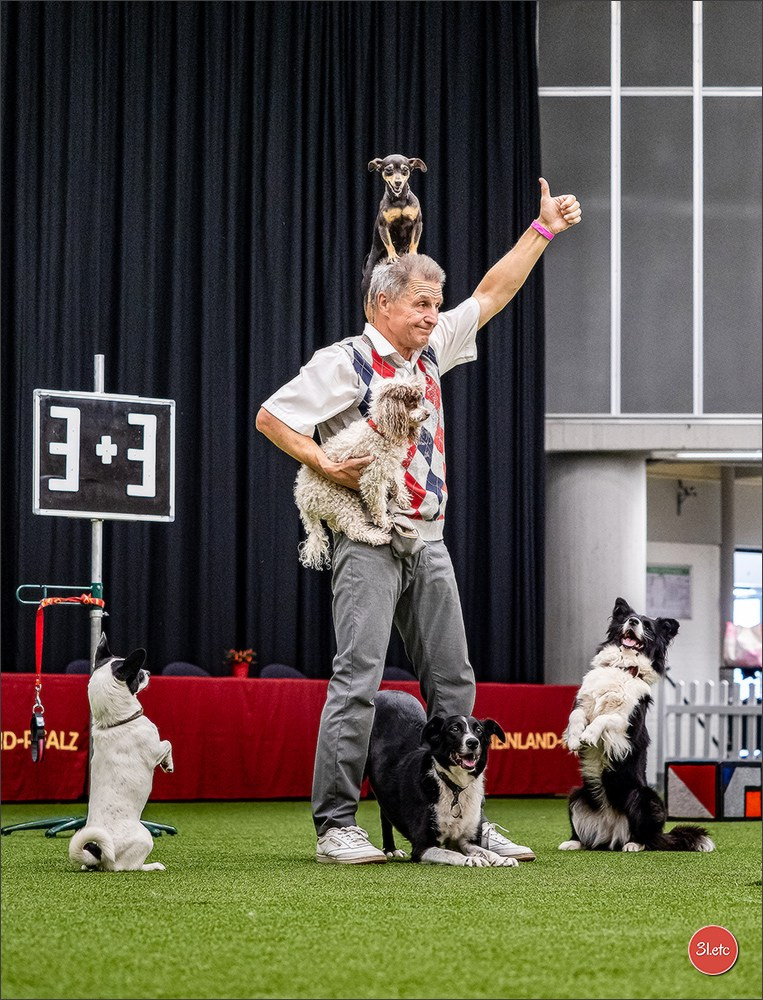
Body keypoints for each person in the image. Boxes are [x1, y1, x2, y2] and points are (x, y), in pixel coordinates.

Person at [257, 177, 582, 863]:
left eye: (437, 303)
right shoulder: (343, 361)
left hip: (428, 538)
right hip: (367, 539)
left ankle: (466, 821)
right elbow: (271, 416)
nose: (435, 314)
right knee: (357, 679)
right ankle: (336, 826)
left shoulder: (432, 351)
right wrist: (321, 460)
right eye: (421, 303)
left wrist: (542, 230)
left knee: (454, 683)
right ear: (382, 303)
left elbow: (492, 292)